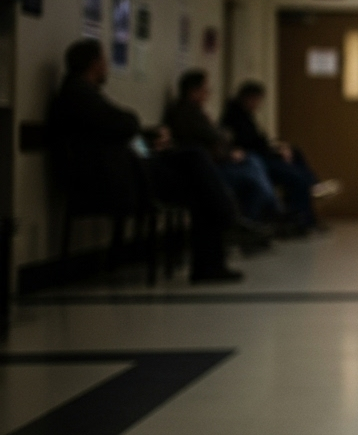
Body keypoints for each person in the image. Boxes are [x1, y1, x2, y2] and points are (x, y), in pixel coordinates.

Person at [48, 39, 243, 283]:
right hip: (117, 176)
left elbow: (121, 130)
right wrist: (138, 130)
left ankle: (222, 226)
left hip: (126, 168)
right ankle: (226, 221)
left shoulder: (81, 94)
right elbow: (125, 123)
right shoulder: (78, 95)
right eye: (104, 62)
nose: (106, 67)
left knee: (197, 170)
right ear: (94, 64)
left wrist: (148, 138)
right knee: (196, 166)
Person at [164, 70, 289, 232]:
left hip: (216, 161)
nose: (208, 94)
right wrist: (228, 152)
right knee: (252, 174)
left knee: (253, 164)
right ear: (193, 91)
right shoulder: (185, 114)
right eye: (205, 89)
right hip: (208, 168)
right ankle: (260, 216)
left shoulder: (197, 113)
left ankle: (262, 216)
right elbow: (212, 139)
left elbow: (219, 138)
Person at [220, 81, 336, 232]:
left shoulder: (245, 116)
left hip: (261, 155)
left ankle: (313, 184)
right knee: (295, 177)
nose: (258, 104)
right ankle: (304, 215)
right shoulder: (235, 117)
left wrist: (279, 148)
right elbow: (250, 145)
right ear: (248, 98)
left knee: (295, 152)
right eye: (257, 100)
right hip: (256, 159)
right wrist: (275, 151)